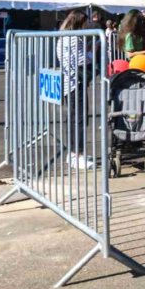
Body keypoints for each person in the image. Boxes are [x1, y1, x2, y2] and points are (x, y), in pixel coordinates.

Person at [56, 9, 94, 170]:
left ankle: (73, 153)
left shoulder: (62, 37)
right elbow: (82, 60)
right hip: (75, 82)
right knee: (79, 118)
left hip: (66, 81)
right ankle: (77, 154)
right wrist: (93, 53)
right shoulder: (74, 39)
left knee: (72, 118)